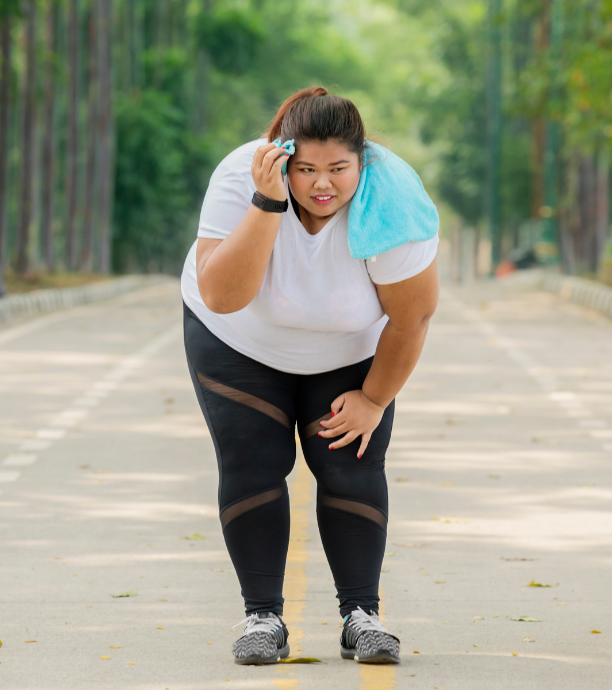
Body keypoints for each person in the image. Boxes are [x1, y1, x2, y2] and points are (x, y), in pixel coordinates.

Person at [181, 86, 439, 666]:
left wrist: (374, 400)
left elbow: (413, 315)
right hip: (239, 339)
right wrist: (267, 203)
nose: (323, 184)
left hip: (347, 350)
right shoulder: (240, 177)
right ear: (283, 159)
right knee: (254, 461)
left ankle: (362, 617)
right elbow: (221, 296)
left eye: (339, 169)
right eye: (307, 170)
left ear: (362, 162)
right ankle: (262, 618)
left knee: (349, 464)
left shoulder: (393, 200)